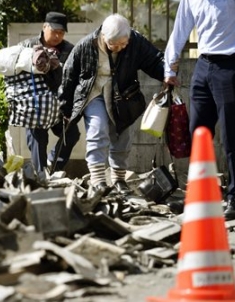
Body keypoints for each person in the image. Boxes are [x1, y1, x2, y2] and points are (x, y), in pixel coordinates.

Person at [59, 13, 164, 198]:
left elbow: (154, 60)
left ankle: (118, 179)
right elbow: (68, 76)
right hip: (94, 93)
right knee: (97, 130)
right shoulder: (86, 45)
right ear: (103, 36)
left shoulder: (135, 41)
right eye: (115, 44)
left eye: (124, 44)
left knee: (122, 135)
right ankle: (98, 180)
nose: (121, 47)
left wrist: (168, 74)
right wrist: (65, 108)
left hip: (122, 95)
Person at [164, 0, 235, 221]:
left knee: (231, 135)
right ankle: (200, 195)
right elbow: (181, 28)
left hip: (232, 64)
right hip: (203, 65)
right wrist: (169, 67)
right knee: (198, 132)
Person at [17, 12, 80, 174]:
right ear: (44, 27)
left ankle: (53, 165)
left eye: (61, 32)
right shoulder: (27, 46)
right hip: (35, 106)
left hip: (58, 106)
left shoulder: (70, 50)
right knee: (38, 138)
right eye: (54, 31)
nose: (58, 36)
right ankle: (41, 175)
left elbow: (75, 80)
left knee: (71, 134)